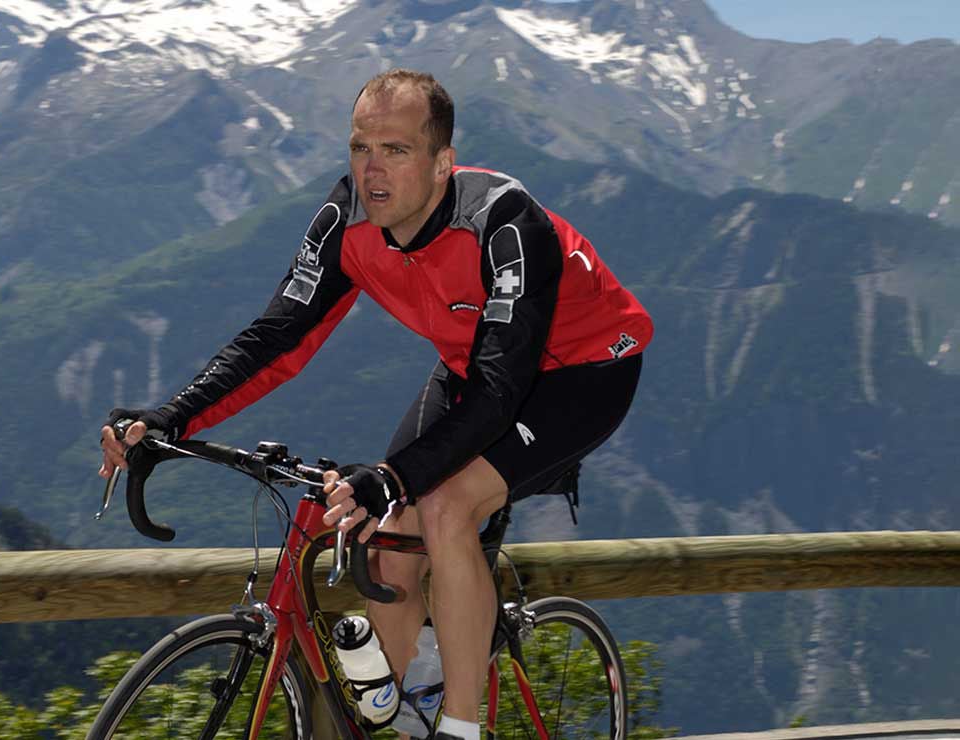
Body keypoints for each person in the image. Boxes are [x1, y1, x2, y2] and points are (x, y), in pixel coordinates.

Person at [99, 69, 652, 740]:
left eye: (396, 149)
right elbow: (279, 337)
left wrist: (390, 479)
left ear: (443, 163)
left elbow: (504, 391)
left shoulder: (505, 222)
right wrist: (171, 416)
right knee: (386, 542)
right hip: (472, 368)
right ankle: (393, 720)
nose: (373, 169)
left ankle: (461, 727)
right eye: (361, 147)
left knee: (444, 506)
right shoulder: (347, 221)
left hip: (583, 373)